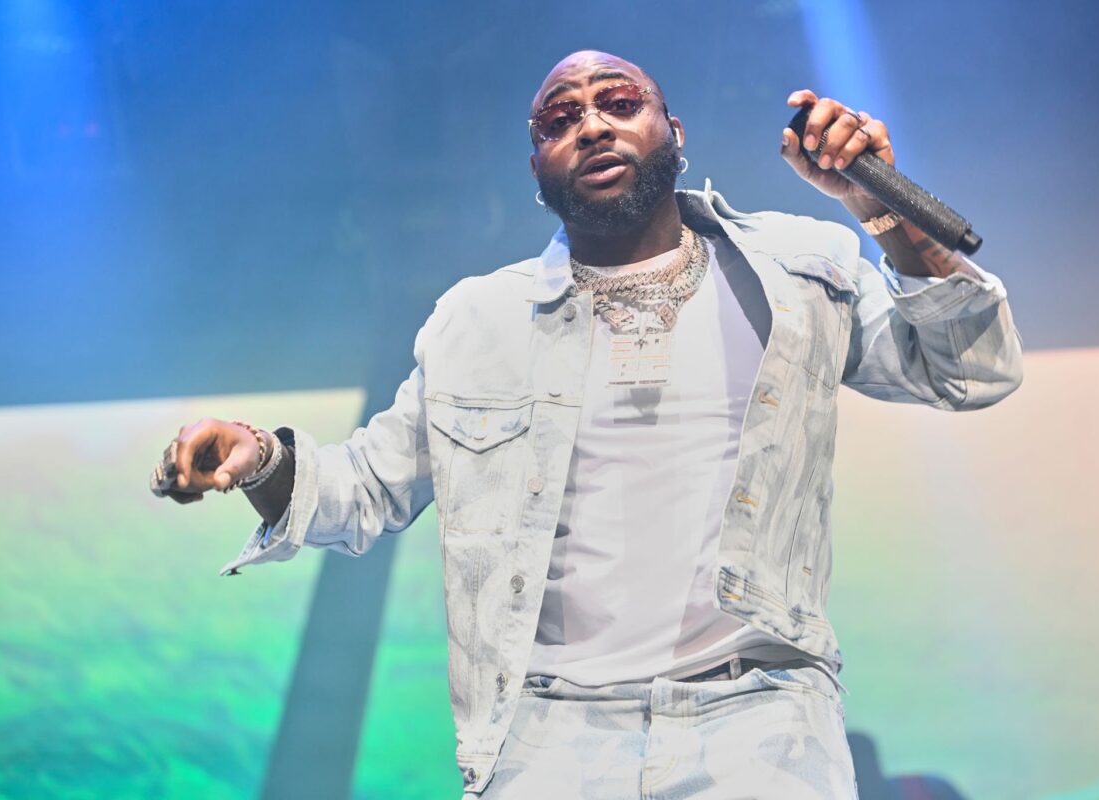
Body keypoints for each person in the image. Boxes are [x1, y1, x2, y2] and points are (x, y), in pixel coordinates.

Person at [153, 51, 1022, 799]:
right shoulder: (479, 324)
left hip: (759, 718)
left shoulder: (798, 271)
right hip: (549, 736)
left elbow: (968, 369)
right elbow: (369, 488)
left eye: (619, 102)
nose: (594, 126)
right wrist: (256, 457)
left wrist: (884, 214)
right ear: (536, 166)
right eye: (560, 119)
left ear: (673, 131)